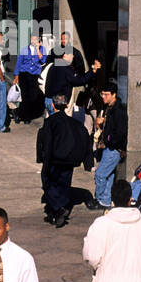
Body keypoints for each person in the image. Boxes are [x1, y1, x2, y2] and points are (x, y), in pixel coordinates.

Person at [36, 94, 92, 228]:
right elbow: (84, 137)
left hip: (55, 159)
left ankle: (58, 208)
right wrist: (87, 161)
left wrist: (45, 161)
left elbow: (48, 144)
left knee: (48, 183)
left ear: (53, 105)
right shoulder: (74, 123)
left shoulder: (50, 122)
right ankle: (56, 212)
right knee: (64, 184)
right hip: (70, 160)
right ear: (67, 105)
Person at [89, 81, 128, 211]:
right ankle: (105, 201)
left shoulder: (119, 110)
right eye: (102, 94)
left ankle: (100, 199)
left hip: (114, 149)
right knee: (109, 174)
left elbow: (120, 132)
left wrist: (109, 141)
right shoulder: (109, 108)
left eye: (106, 94)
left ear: (114, 95)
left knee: (100, 174)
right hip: (109, 147)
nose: (103, 97)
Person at [14, 35, 46, 123]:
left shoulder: (42, 49)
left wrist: (38, 49)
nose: (34, 40)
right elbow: (19, 63)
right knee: (25, 96)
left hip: (34, 75)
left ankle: (20, 112)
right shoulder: (24, 50)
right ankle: (24, 117)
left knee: (33, 97)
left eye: (36, 39)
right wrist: (16, 75)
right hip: (24, 74)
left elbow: (43, 60)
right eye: (32, 39)